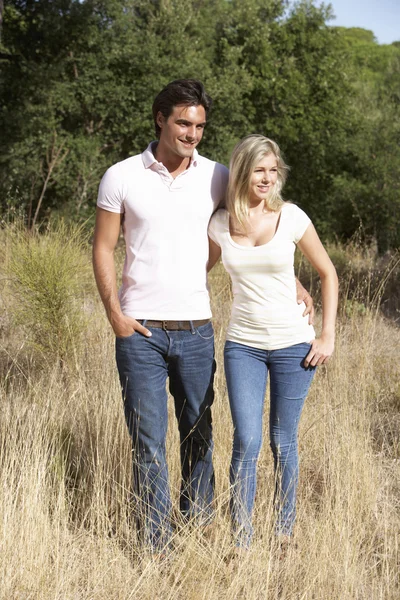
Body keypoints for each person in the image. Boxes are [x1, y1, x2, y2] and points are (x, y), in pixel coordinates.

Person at [92, 81, 313, 554]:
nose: (192, 133)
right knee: (148, 440)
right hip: (139, 330)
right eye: (183, 123)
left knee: (199, 431)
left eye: (199, 126)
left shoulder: (216, 176)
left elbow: (253, 225)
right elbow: (103, 247)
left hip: (196, 328)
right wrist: (115, 314)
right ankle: (158, 545)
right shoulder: (121, 176)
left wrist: (289, 277)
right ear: (159, 118)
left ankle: (198, 523)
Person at [207, 134, 338, 551]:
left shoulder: (292, 216)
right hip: (242, 343)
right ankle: (240, 540)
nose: (267, 178)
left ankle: (284, 532)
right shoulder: (219, 223)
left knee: (283, 440)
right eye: (259, 170)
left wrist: (328, 336)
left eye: (273, 170)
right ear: (243, 171)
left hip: (294, 346)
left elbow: (328, 274)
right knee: (246, 441)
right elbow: (193, 270)